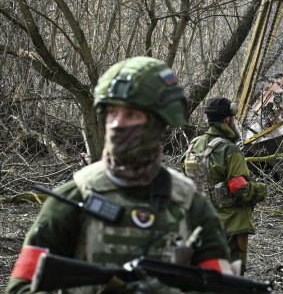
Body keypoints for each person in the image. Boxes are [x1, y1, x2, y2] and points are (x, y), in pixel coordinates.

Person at [6, 56, 232, 294]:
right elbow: (20, 287)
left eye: (131, 115)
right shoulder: (74, 196)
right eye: (112, 112)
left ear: (159, 123)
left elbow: (221, 287)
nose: (116, 124)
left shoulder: (191, 206)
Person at [182, 97, 266, 275]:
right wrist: (260, 190)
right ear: (228, 119)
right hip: (230, 226)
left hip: (200, 224)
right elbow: (240, 189)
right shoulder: (229, 150)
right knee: (230, 278)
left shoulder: (193, 146)